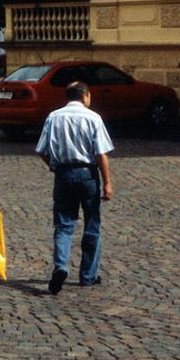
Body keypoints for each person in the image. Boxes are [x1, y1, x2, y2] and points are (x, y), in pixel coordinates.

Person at [37, 80, 114, 293]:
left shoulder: (54, 117)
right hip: (88, 175)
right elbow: (101, 154)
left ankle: (61, 266)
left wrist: (55, 166)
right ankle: (88, 275)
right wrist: (107, 182)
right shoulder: (93, 118)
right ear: (85, 96)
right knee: (92, 224)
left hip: (63, 174)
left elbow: (41, 150)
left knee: (63, 225)